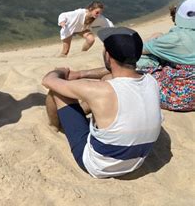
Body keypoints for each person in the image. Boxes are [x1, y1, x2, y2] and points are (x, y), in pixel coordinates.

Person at [42, 27, 162, 178]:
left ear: (108, 55)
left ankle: (55, 126)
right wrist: (80, 74)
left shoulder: (101, 91)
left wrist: (60, 71)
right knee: (107, 80)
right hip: (136, 162)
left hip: (97, 166)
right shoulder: (151, 80)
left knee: (58, 91)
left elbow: (48, 80)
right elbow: (112, 73)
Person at [137, 0, 195, 112]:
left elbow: (139, 49)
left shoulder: (177, 38)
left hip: (180, 98)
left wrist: (153, 40)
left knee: (139, 60)